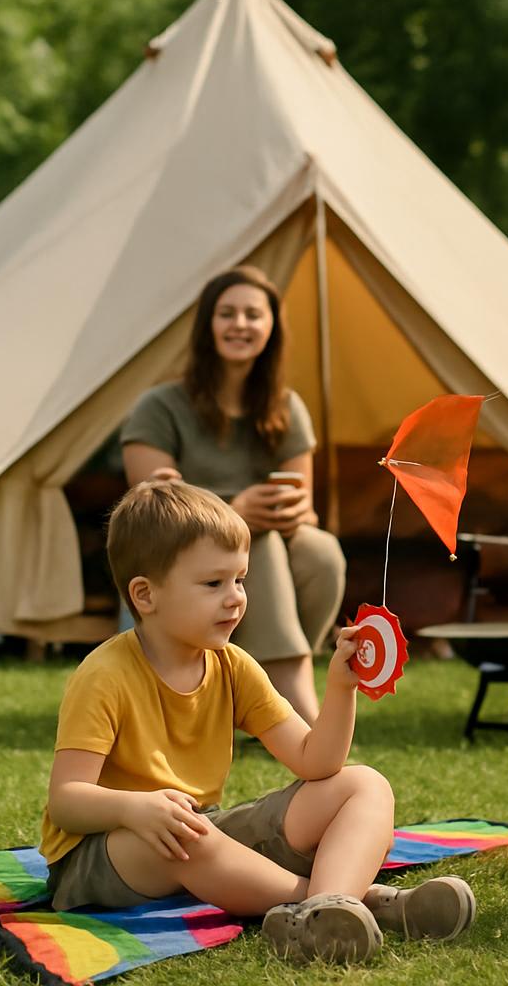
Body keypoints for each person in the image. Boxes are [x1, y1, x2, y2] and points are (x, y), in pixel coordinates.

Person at [40, 480, 475, 965]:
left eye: (240, 580)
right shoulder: (104, 675)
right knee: (189, 835)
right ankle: (362, 902)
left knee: (363, 785)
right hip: (100, 857)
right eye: (213, 583)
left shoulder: (233, 665)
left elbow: (316, 761)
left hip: (197, 829)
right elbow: (66, 802)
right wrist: (136, 810)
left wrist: (339, 688)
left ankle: (327, 913)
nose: (235, 598)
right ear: (145, 595)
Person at [121, 265, 345, 724]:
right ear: (207, 326)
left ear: (271, 329)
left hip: (268, 547)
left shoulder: (285, 407)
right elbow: (145, 515)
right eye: (227, 314)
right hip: (178, 556)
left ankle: (255, 695)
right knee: (250, 542)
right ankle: (293, 702)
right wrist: (233, 513)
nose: (240, 324)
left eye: (252, 315)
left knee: (322, 553)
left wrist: (297, 511)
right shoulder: (160, 407)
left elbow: (303, 505)